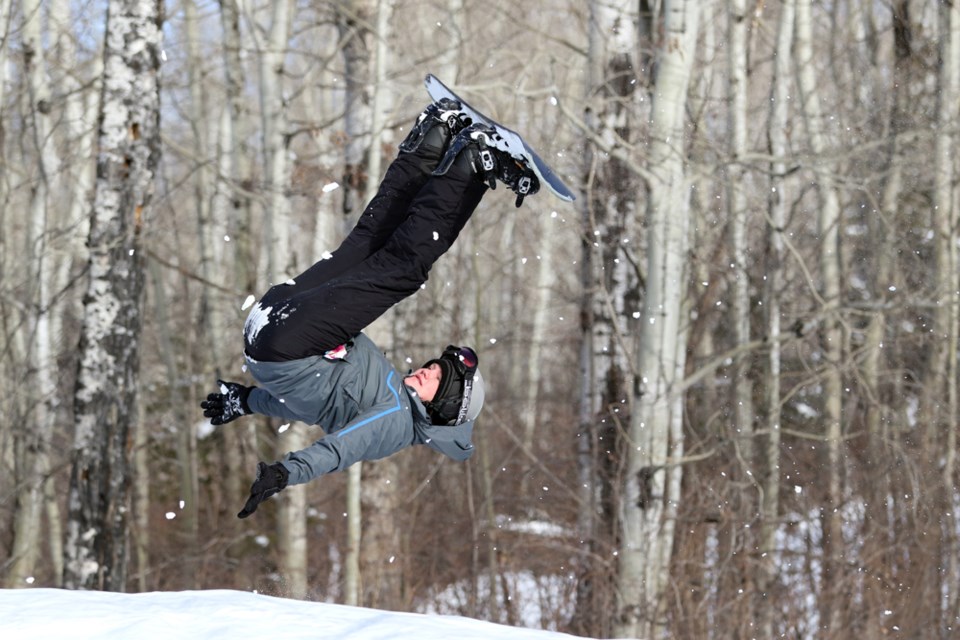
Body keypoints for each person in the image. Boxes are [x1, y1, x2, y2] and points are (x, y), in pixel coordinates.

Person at [200, 98, 540, 518]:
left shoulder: (395, 421)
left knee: (404, 268)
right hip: (268, 332)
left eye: (439, 378)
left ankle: (474, 160)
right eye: (436, 366)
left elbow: (342, 448)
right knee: (371, 243)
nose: (428, 368)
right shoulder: (363, 396)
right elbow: (296, 405)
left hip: (288, 342)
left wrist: (287, 472)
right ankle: (434, 137)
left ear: (445, 406)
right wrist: (246, 402)